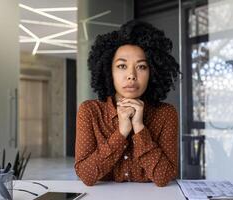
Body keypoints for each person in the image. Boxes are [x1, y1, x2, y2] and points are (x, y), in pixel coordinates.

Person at [75, 20, 180, 187]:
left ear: (152, 72)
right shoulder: (90, 111)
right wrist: (122, 132)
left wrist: (139, 127)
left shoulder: (166, 113)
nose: (131, 75)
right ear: (109, 71)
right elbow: (86, 175)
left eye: (141, 67)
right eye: (122, 66)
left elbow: (164, 177)